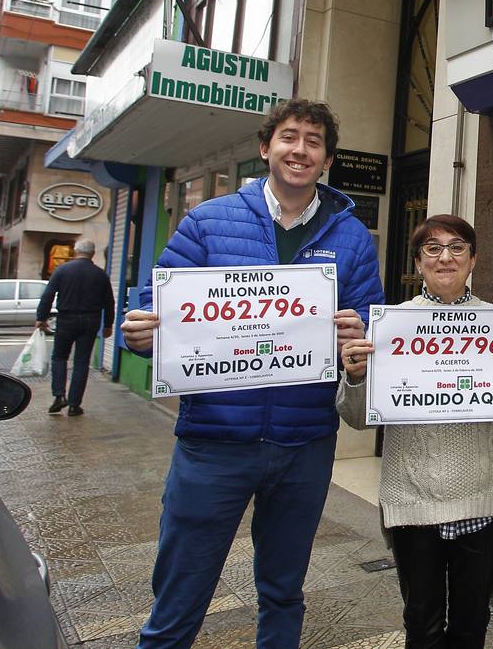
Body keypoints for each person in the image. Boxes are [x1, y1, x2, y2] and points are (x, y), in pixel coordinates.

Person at [120, 99, 384, 648]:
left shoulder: (352, 238)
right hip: (213, 440)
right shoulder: (208, 221)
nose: (300, 150)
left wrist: (356, 340)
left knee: (284, 592)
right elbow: (160, 311)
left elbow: (365, 335)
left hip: (304, 442)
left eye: (314, 141)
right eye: (289, 137)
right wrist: (143, 336)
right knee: (179, 595)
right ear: (266, 148)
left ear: (327, 159)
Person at [336, 214, 493, 649]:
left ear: (473, 260)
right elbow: (358, 417)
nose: (445, 257)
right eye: (432, 249)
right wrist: (357, 377)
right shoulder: (389, 327)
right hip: (413, 498)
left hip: (483, 496)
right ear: (418, 263)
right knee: (422, 623)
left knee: (472, 624)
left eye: (457, 247)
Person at [36, 238, 115, 416]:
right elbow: (109, 302)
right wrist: (108, 324)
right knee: (81, 361)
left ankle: (58, 396)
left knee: (59, 357)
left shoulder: (62, 270)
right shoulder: (100, 274)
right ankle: (74, 404)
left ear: (75, 251)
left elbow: (48, 295)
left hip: (66, 319)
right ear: (92, 253)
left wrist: (41, 317)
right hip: (91, 320)